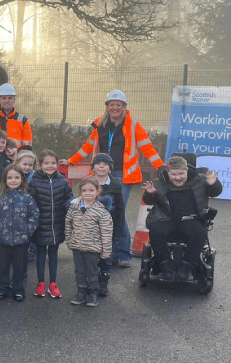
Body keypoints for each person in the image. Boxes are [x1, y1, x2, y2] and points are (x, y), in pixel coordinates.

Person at [61, 89, 164, 268]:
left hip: (123, 175)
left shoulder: (133, 126)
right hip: (100, 174)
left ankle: (123, 253)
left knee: (118, 213)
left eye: (119, 105)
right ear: (107, 107)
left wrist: (161, 167)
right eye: (111, 105)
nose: (115, 108)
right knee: (100, 212)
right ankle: (104, 252)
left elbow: (147, 148)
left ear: (124, 107)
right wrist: (71, 161)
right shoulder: (100, 126)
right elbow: (88, 147)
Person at [141, 155, 222, 282]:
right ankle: (165, 263)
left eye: (181, 173)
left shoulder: (200, 180)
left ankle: (187, 265)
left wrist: (213, 184)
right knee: (156, 230)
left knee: (199, 233)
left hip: (191, 218)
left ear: (187, 171)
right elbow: (149, 201)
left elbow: (215, 192)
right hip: (167, 218)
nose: (178, 177)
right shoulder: (159, 183)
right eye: (173, 174)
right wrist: (150, 193)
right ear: (167, 172)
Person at [0, 164, 40, 302]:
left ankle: (18, 289)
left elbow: (34, 214)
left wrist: (28, 230)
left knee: (20, 267)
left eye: (16, 177)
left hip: (22, 240)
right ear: (5, 180)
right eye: (10, 178)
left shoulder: (27, 198)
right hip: (3, 239)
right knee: (3, 266)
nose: (13, 180)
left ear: (22, 179)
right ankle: (2, 289)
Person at [28, 150, 73, 299]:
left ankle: (53, 283)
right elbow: (31, 203)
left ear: (57, 164)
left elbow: (68, 200)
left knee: (53, 254)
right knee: (41, 254)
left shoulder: (63, 181)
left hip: (57, 225)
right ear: (40, 165)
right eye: (46, 163)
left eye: (53, 163)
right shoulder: (34, 181)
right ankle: (40, 283)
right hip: (40, 225)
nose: (50, 166)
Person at [64, 176, 113, 307]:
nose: (87, 193)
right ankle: (81, 293)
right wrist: (69, 240)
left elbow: (107, 232)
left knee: (92, 272)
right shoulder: (74, 207)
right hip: (77, 247)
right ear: (80, 192)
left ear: (98, 191)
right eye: (84, 190)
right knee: (79, 271)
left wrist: (106, 251)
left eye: (91, 190)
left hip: (92, 248)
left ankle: (93, 294)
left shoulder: (101, 210)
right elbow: (68, 224)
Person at [91, 153, 125, 297]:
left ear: (110, 169)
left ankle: (103, 284)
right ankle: (89, 284)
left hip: (107, 229)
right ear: (93, 167)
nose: (101, 166)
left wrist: (117, 231)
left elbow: (120, 210)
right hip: (90, 229)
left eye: (105, 164)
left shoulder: (116, 186)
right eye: (98, 164)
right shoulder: (87, 184)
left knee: (105, 258)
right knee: (90, 258)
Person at [0, 83, 33, 153]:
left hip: (15, 160)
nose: (7, 101)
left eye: (10, 98)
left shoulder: (23, 121)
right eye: (4, 98)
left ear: (14, 100)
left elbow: (27, 146)